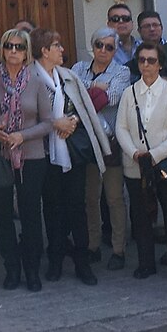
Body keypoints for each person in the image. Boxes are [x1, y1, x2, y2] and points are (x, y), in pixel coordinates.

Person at [0, 28, 53, 290]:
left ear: (27, 51)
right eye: (9, 46)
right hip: (0, 157)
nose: (13, 51)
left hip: (32, 156)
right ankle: (11, 267)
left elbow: (49, 122)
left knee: (30, 213)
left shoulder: (37, 82)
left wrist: (22, 135)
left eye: (19, 47)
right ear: (3, 50)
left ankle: (31, 268)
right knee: (3, 214)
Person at [31, 27, 110, 286]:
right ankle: (54, 262)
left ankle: (82, 263)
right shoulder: (30, 78)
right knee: (52, 210)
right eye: (56, 45)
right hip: (44, 154)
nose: (62, 50)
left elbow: (83, 108)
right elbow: (27, 114)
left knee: (77, 207)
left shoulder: (68, 77)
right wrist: (56, 123)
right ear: (44, 50)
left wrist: (72, 121)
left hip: (72, 153)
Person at [115, 43, 167, 282]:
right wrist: (135, 153)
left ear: (160, 64)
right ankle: (146, 264)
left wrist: (155, 155)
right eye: (142, 60)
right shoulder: (129, 93)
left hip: (166, 166)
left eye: (151, 60)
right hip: (135, 167)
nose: (146, 65)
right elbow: (121, 128)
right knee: (141, 218)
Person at [71, 28, 130, 269]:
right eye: (99, 45)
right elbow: (73, 97)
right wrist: (98, 87)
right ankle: (92, 245)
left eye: (109, 47)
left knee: (114, 198)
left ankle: (118, 249)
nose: (103, 50)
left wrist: (88, 89)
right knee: (90, 198)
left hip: (110, 144)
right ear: (92, 45)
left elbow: (112, 98)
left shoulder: (123, 71)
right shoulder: (77, 69)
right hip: (86, 143)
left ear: (115, 50)